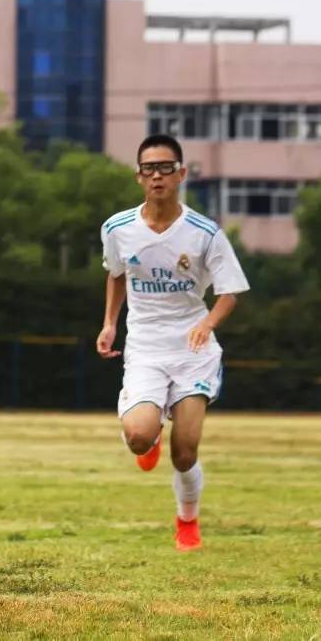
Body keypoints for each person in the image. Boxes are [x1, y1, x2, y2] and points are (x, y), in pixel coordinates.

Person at [97, 134, 249, 552]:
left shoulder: (205, 233)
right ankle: (150, 432)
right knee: (138, 437)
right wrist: (110, 323)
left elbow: (230, 292)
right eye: (150, 169)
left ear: (181, 174)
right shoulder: (118, 228)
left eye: (166, 168)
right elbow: (115, 275)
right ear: (138, 176)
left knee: (185, 453)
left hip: (192, 351)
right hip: (145, 348)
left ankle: (187, 521)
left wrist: (208, 324)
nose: (158, 176)